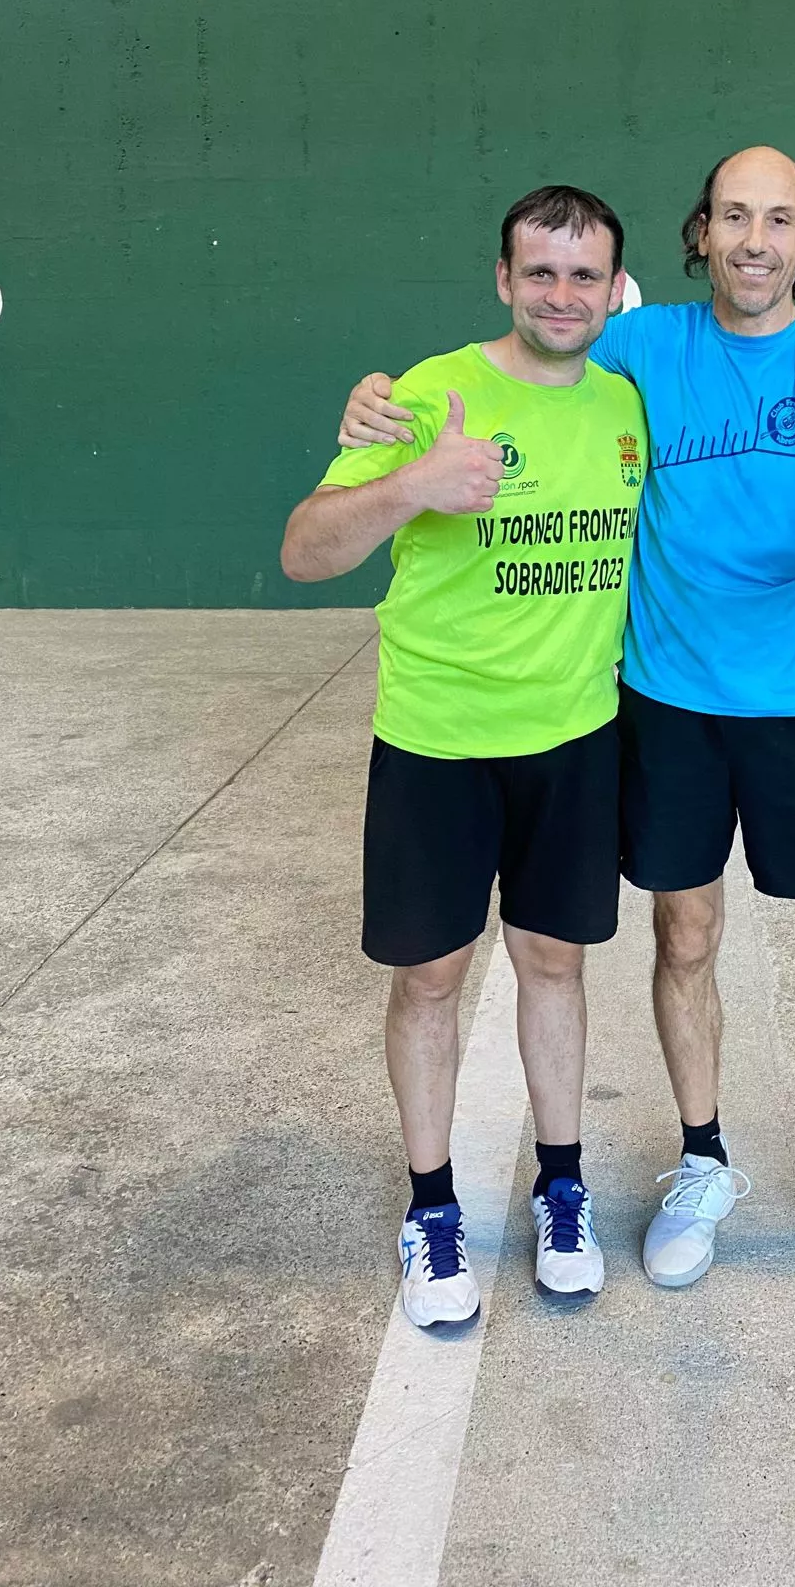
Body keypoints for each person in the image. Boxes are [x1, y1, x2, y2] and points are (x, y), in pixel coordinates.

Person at [338, 146, 795, 1342]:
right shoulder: (639, 350)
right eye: (735, 215)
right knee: (685, 931)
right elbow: (528, 358)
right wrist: (381, 400)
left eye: (779, 219)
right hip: (665, 705)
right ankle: (704, 1157)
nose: (756, 239)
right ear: (701, 233)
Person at [280, 185, 647, 1330]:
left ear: (614, 288)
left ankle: (564, 1187)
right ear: (503, 278)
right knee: (430, 977)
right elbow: (304, 551)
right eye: (540, 272)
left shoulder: (629, 401)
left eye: (584, 275)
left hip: (577, 739)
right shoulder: (430, 392)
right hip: (437, 742)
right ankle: (432, 1206)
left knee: (554, 965)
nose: (562, 294)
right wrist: (406, 488)